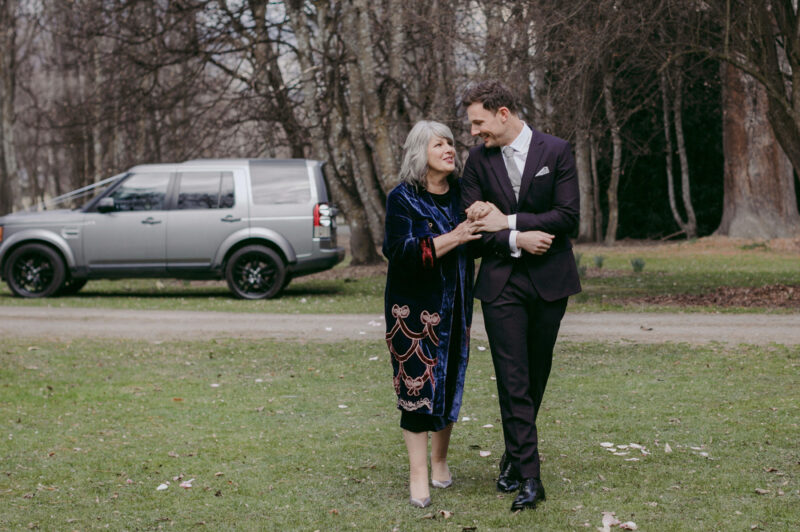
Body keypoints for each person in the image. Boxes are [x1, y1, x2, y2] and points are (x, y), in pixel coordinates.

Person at [459, 80, 582, 512]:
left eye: (479, 122)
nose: (475, 132)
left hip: (551, 281)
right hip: (501, 284)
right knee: (513, 379)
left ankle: (514, 456)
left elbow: (568, 217)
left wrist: (507, 220)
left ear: (503, 113)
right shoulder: (477, 160)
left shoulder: (556, 151)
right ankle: (531, 478)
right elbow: (472, 230)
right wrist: (517, 240)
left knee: (535, 375)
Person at [383, 120, 479, 508]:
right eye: (439, 144)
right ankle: (417, 471)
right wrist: (454, 236)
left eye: (451, 144)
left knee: (451, 378)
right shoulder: (402, 198)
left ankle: (440, 460)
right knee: (416, 386)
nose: (449, 150)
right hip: (413, 309)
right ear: (419, 152)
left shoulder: (462, 194)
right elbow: (400, 252)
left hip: (457, 306)